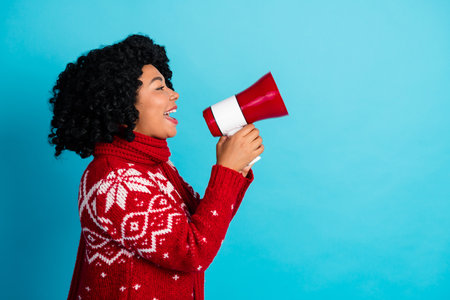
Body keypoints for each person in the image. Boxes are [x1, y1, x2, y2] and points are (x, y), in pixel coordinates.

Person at [48, 34, 264, 300]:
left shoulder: (153, 165)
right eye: (159, 87)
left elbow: (205, 223)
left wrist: (237, 168)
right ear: (122, 105)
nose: (174, 94)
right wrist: (226, 171)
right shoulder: (113, 180)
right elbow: (191, 251)